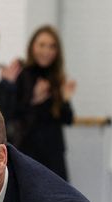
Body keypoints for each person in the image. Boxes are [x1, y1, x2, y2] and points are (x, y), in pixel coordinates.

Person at [12, 25, 77, 180]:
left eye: (52, 46)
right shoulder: (23, 75)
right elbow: (14, 114)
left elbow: (67, 119)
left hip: (53, 152)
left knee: (59, 199)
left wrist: (66, 99)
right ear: (32, 47)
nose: (47, 51)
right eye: (42, 45)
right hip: (29, 151)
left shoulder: (57, 77)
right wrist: (35, 99)